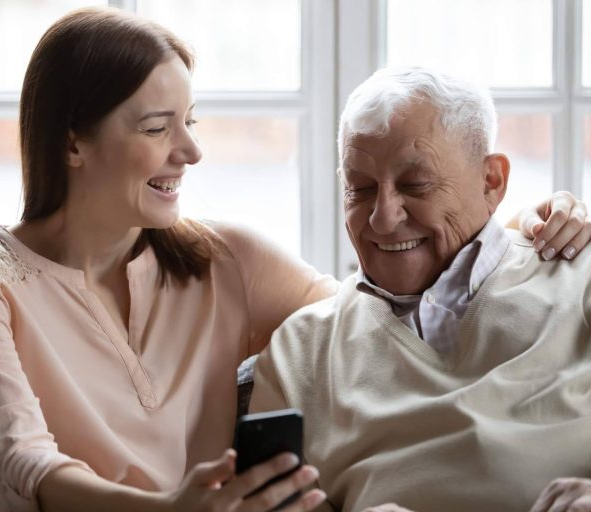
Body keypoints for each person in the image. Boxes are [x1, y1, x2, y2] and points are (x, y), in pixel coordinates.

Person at [0, 9, 589, 512]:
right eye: (158, 127)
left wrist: (526, 231)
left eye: (192, 121)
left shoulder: (223, 262)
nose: (189, 150)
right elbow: (21, 466)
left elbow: (395, 303)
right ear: (73, 144)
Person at [250, 66, 591, 512]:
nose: (382, 218)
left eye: (415, 185)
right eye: (361, 188)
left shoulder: (577, 274)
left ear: (492, 181)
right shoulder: (300, 351)